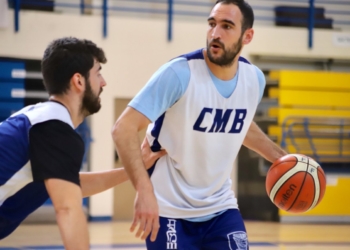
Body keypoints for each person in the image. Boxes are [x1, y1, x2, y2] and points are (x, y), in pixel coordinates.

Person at [112, 0, 288, 249]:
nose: (215, 34)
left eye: (227, 26)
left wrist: (284, 159)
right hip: (169, 208)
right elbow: (123, 128)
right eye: (212, 24)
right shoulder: (179, 73)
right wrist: (143, 191)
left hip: (221, 208)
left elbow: (240, 123)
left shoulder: (254, 80)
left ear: (247, 36)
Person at [0, 37, 166, 249]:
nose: (103, 82)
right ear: (79, 81)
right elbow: (68, 208)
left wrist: (134, 169)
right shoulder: (55, 129)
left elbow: (72, 186)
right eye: (98, 73)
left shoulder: (39, 118)